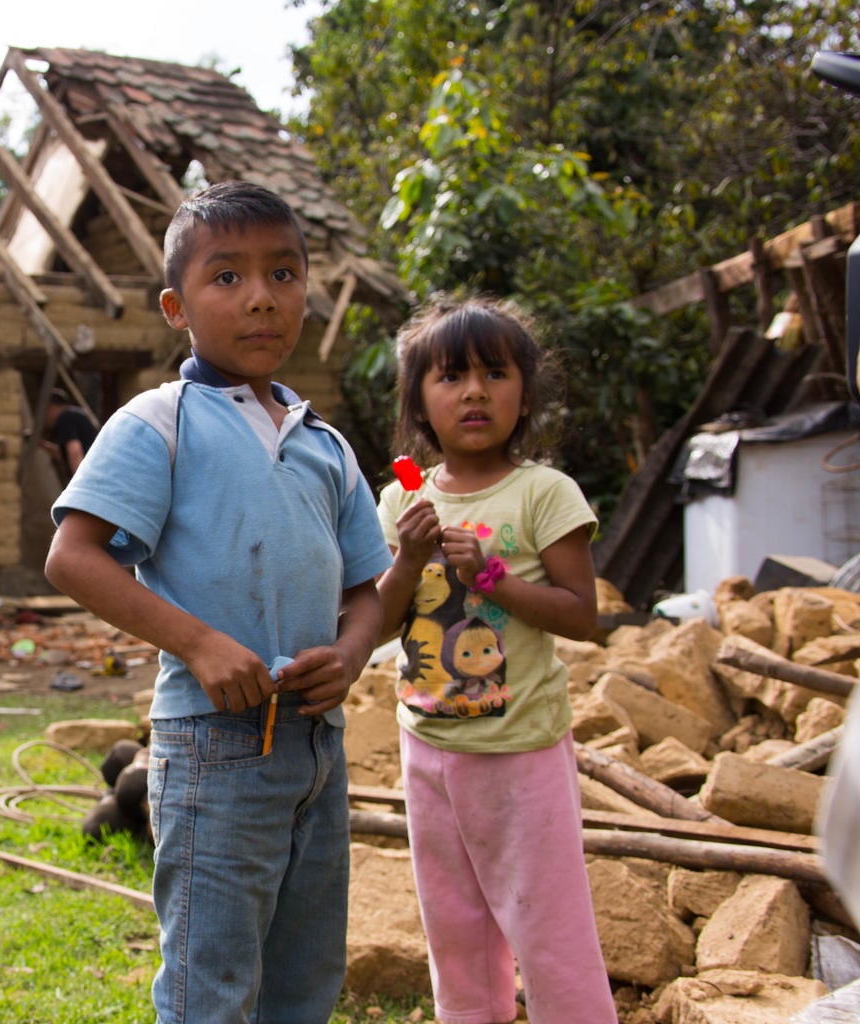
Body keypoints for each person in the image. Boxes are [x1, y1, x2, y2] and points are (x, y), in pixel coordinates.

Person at [45, 180, 391, 1023]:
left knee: (304, 982)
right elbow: (73, 558)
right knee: (213, 986)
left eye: (283, 273)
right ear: (176, 305)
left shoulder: (325, 442)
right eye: (227, 277)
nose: (261, 297)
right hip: (212, 747)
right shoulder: (159, 423)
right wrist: (200, 643)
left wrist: (348, 656)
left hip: (318, 748)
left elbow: (369, 592)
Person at [374, 293, 615, 1023]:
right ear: (419, 403)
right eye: (450, 377)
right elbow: (380, 624)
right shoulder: (398, 503)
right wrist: (407, 562)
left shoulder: (542, 493)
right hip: (429, 748)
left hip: (521, 753)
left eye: (494, 373)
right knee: (456, 932)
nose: (474, 391)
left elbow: (584, 617)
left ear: (527, 394)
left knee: (549, 930)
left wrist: (491, 578)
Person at [42, 387, 98, 478]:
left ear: (51, 407)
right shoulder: (76, 414)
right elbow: (63, 454)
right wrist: (43, 444)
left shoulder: (65, 418)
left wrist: (79, 483)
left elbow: (75, 452)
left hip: (91, 477)